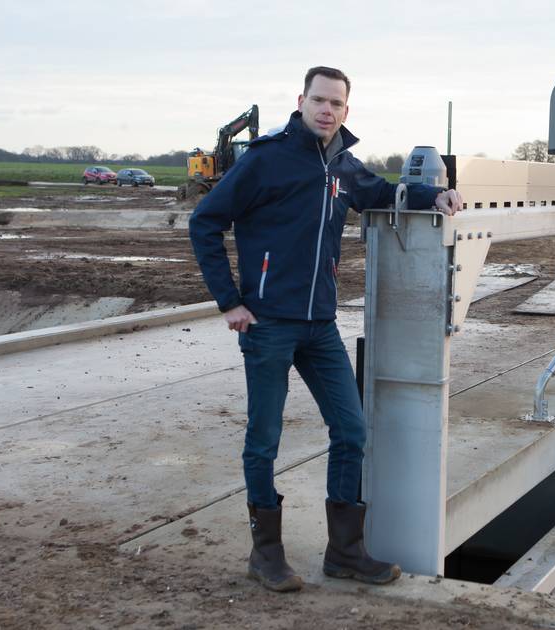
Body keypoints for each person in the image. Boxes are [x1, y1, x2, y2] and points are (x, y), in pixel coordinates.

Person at [188, 66, 463, 593]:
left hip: (320, 326)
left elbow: (380, 193)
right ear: (301, 100)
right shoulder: (265, 160)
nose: (326, 110)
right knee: (264, 439)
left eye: (336, 103)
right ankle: (265, 554)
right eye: (318, 100)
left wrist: (435, 198)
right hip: (267, 324)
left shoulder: (343, 164)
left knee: (352, 430)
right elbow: (205, 221)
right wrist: (229, 302)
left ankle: (344, 551)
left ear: (346, 110)